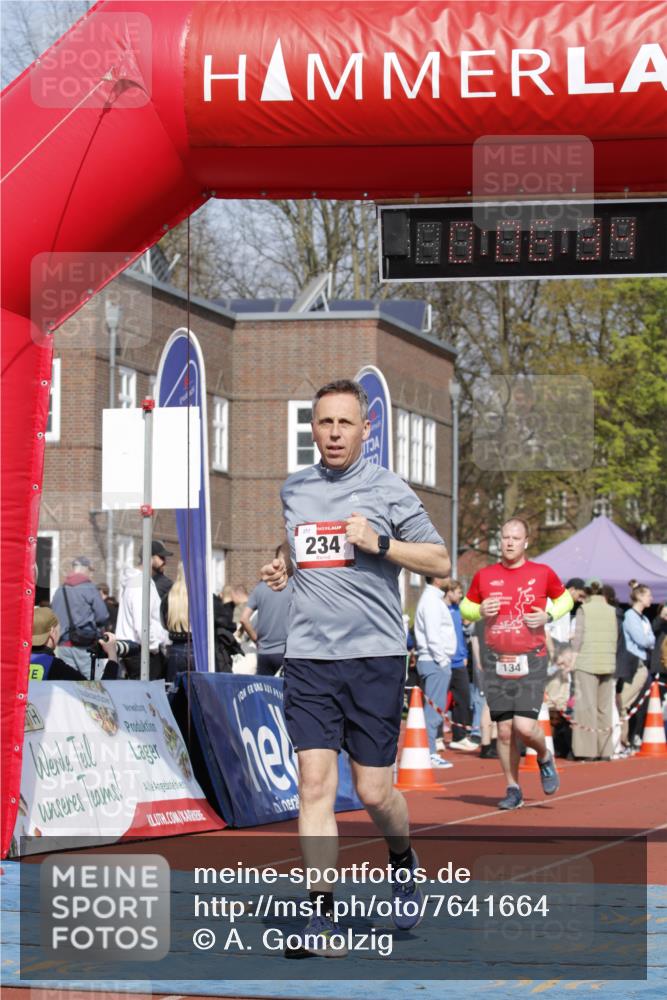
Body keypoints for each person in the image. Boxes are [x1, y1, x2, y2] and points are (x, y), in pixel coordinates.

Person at [261, 378, 450, 954]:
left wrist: (383, 543)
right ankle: (321, 915)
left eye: (346, 423)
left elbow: (439, 559)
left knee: (373, 793)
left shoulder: (389, 490)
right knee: (314, 786)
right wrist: (282, 568)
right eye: (325, 423)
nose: (335, 433)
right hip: (311, 658)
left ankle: (402, 857)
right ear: (312, 429)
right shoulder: (295, 490)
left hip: (375, 658)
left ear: (367, 429)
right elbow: (298, 549)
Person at [460, 517, 573, 810]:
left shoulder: (542, 573)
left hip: (530, 659)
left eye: (515, 538)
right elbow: (466, 607)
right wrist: (479, 609)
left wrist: (548, 616)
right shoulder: (485, 575)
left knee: (524, 726)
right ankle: (512, 787)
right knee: (505, 730)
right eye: (505, 537)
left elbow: (566, 602)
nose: (509, 543)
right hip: (497, 660)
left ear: (526, 542)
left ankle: (544, 755)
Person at [569, 579, 618, 760]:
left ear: (587, 593)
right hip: (608, 662)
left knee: (585, 708)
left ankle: (586, 751)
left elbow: (578, 637)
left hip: (587, 662)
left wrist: (573, 658)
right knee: (604, 709)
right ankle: (605, 750)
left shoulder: (584, 610)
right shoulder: (612, 611)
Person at [414, 576, 456, 769]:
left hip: (434, 660)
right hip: (434, 661)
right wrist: (443, 660)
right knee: (434, 711)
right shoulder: (431, 601)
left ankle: (428, 750)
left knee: (435, 709)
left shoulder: (433, 599)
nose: (449, 578)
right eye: (445, 575)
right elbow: (433, 634)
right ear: (437, 579)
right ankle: (429, 752)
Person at [51, 556, 109, 677]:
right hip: (84, 643)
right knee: (94, 682)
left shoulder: (60, 589)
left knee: (69, 683)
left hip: (63, 645)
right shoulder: (89, 588)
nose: (91, 574)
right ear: (85, 569)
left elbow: (53, 616)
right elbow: (102, 616)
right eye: (90, 570)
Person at [240, 546, 293, 676]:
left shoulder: (260, 588)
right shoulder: (293, 585)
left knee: (264, 693)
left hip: (264, 653)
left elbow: (244, 619)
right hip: (285, 651)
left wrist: (256, 641)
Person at [115, 553, 169, 679]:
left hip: (137, 649)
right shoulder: (140, 583)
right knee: (148, 695)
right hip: (143, 651)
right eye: (162, 557)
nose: (165, 562)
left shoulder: (137, 582)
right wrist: (153, 646)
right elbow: (141, 623)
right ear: (151, 558)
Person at [30, 607, 119, 681]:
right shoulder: (56, 667)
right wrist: (112, 656)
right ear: (53, 632)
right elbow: (98, 694)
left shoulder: (18, 663)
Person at [619, 583, 655, 750]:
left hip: (642, 664)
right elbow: (642, 640)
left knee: (637, 704)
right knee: (624, 702)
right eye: (648, 595)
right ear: (639, 597)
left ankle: (629, 738)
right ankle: (621, 740)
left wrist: (648, 639)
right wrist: (648, 639)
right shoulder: (630, 616)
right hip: (633, 663)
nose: (651, 599)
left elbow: (651, 640)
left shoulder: (644, 618)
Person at [444, 579, 477, 752]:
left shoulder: (458, 610)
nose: (460, 595)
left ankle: (460, 736)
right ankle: (436, 737)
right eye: (458, 592)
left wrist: (464, 655)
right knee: (441, 700)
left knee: (464, 699)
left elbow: (462, 635)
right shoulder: (442, 610)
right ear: (449, 592)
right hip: (444, 660)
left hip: (459, 662)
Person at [161, 562, 194, 684]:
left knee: (173, 697)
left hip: (175, 650)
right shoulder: (201, 597)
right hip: (196, 650)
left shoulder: (168, 598)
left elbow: (164, 623)